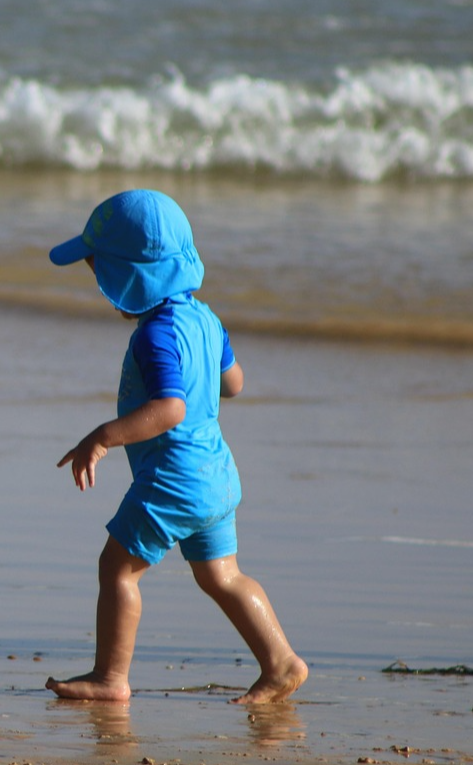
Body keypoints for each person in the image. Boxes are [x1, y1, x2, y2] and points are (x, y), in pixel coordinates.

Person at [43, 190, 307, 704]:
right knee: (224, 576)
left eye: (99, 270)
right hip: (217, 475)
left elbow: (170, 410)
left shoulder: (154, 336)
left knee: (117, 568)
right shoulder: (206, 320)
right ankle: (280, 662)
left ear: (125, 276)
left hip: (174, 478)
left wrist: (103, 437)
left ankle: (111, 677)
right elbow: (234, 383)